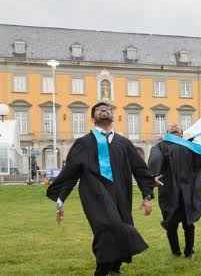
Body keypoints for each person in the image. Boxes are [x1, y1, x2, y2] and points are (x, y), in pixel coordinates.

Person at [46, 102, 155, 276]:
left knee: (121, 225)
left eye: (108, 109)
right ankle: (102, 270)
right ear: (93, 118)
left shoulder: (124, 143)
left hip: (120, 193)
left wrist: (147, 195)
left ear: (113, 115)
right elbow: (71, 172)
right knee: (107, 227)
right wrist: (60, 200)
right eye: (98, 109)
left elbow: (140, 169)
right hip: (93, 193)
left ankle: (114, 268)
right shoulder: (83, 143)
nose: (103, 110)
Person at [148, 124, 201, 258]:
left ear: (181, 134)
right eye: (172, 129)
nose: (174, 127)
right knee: (171, 224)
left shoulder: (192, 147)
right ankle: (175, 251)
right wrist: (152, 177)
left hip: (188, 192)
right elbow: (155, 161)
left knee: (188, 223)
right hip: (170, 191)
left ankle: (189, 251)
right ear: (167, 133)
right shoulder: (161, 147)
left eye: (177, 128)